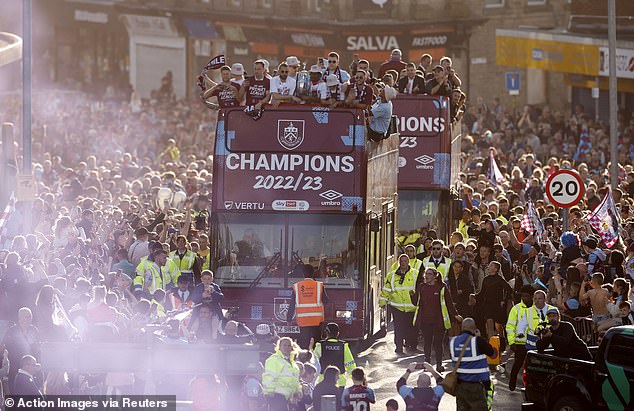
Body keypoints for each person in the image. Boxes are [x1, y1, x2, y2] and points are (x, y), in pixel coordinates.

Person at [412, 267, 461, 372]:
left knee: (438, 343)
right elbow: (416, 302)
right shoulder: (422, 287)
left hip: (439, 321)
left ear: (435, 276)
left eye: (429, 274)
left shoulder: (442, 287)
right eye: (426, 274)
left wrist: (455, 314)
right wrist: (412, 296)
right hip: (425, 321)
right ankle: (427, 363)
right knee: (427, 342)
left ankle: (439, 364)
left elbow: (448, 302)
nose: (426, 276)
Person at [449, 318, 497, 411]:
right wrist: (479, 337)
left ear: (462, 328)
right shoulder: (477, 341)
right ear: (474, 329)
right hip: (476, 387)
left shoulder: (453, 342)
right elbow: (492, 353)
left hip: (460, 386)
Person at [380, 254, 419, 354]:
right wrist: (382, 302)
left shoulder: (415, 274)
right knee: (398, 328)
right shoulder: (392, 275)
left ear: (408, 262)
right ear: (399, 262)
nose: (403, 263)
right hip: (397, 307)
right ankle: (399, 347)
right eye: (401, 261)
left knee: (412, 328)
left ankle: (412, 345)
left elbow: (420, 289)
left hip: (412, 307)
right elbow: (386, 290)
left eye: (405, 261)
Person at [287, 264, 328, 349]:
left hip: (303, 322)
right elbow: (326, 301)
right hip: (317, 322)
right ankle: (316, 361)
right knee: (316, 346)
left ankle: (305, 361)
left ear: (303, 274)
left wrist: (289, 319)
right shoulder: (319, 285)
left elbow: (292, 304)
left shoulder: (297, 286)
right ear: (313, 273)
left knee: (305, 346)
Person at [505, 285, 534, 391]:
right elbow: (510, 326)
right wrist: (511, 342)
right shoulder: (516, 309)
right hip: (520, 343)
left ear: (531, 296)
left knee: (532, 366)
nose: (525, 298)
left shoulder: (536, 308)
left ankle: (530, 385)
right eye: (523, 296)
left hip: (533, 343)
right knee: (518, 363)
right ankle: (512, 382)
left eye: (527, 296)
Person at [263, 337, 302, 411]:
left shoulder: (292, 362)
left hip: (287, 397)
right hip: (277, 396)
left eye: (289, 345)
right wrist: (270, 392)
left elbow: (295, 378)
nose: (287, 347)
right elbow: (269, 377)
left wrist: (298, 390)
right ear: (279, 347)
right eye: (284, 345)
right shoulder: (274, 359)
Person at [313, 322, 356, 387]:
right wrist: (355, 379)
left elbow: (314, 363)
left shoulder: (320, 346)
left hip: (323, 382)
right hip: (340, 382)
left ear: (327, 333)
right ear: (338, 333)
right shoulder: (343, 346)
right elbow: (350, 364)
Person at [191, 270, 224, 338]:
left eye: (209, 279)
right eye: (205, 279)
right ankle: (192, 338)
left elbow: (221, 298)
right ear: (201, 279)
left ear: (212, 279)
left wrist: (213, 292)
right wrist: (202, 295)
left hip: (213, 311)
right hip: (199, 311)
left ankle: (215, 340)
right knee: (194, 325)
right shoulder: (198, 287)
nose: (207, 281)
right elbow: (194, 298)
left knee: (215, 326)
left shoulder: (215, 287)